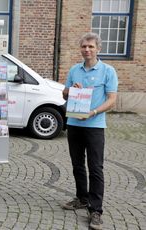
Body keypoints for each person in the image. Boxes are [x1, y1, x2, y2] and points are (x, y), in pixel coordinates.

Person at [61, 32, 118, 230]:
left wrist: (94, 111)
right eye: (84, 46)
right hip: (75, 124)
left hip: (95, 126)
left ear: (98, 49)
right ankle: (82, 198)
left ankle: (96, 210)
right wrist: (70, 90)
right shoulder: (74, 70)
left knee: (95, 168)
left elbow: (111, 99)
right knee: (77, 165)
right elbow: (64, 93)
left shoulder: (108, 71)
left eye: (91, 47)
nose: (87, 50)